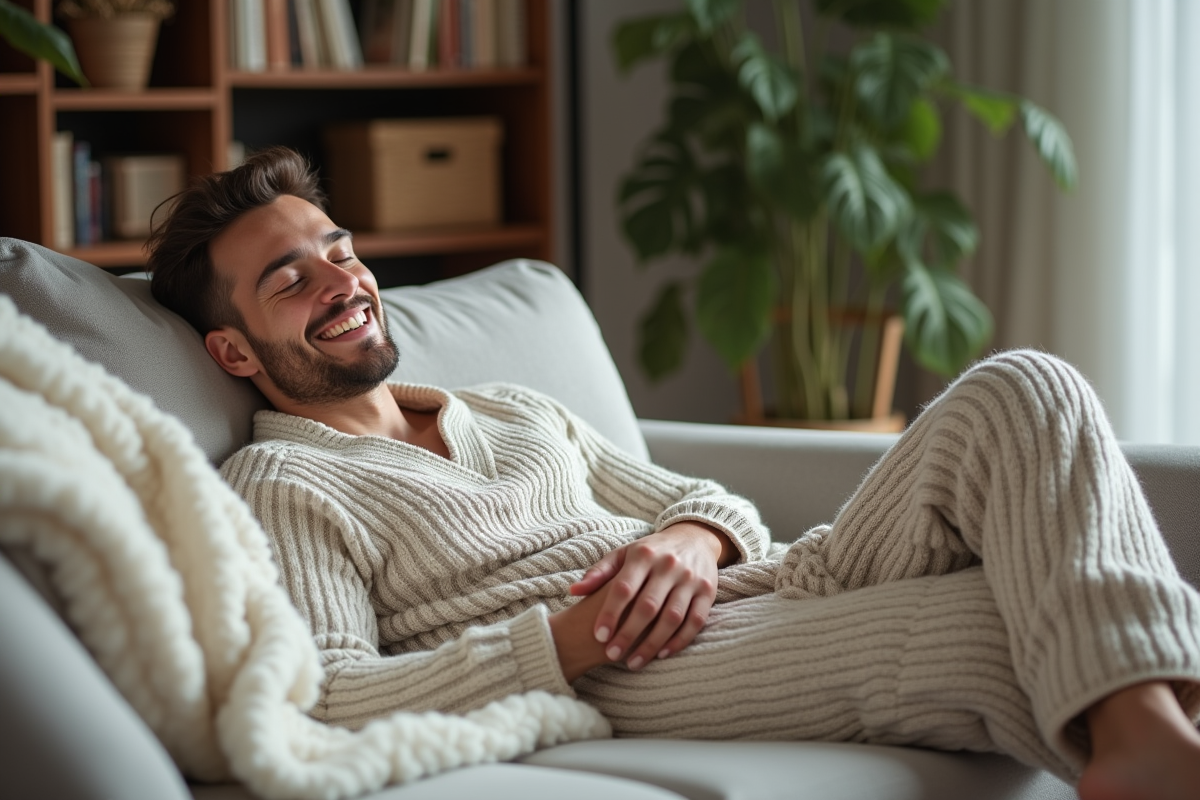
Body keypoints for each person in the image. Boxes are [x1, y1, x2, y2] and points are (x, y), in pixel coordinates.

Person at [146, 146, 1200, 800]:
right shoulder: (288, 480)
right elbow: (330, 694)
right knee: (990, 624)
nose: (342, 278)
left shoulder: (512, 408)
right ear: (235, 352)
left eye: (338, 247)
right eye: (291, 279)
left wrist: (692, 539)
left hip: (766, 579)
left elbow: (710, 501)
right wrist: (565, 637)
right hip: (635, 666)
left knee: (1026, 386)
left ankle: (1152, 740)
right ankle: (1157, 751)